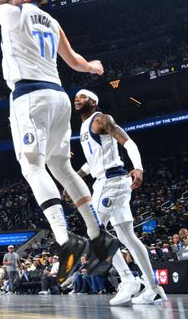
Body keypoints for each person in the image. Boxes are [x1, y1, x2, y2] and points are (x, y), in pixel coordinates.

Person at [0, 0, 119, 283]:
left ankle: (65, 238)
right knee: (61, 166)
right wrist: (92, 66)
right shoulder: (52, 22)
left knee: (32, 167)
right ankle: (98, 234)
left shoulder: (12, 12)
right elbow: (74, 60)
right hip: (59, 97)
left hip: (30, 97)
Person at [74, 89, 168, 305]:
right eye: (76, 97)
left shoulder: (101, 119)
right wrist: (75, 178)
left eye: (83, 97)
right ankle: (153, 288)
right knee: (127, 237)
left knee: (95, 231)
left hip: (111, 181)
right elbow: (93, 160)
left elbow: (128, 142)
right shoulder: (84, 127)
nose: (77, 99)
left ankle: (128, 280)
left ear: (94, 102)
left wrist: (138, 168)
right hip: (108, 181)